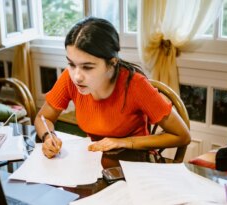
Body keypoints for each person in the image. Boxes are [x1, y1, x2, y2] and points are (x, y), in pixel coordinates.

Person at [34, 17, 190, 161]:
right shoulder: (69, 78)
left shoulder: (136, 85)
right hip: (94, 161)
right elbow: (44, 118)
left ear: (112, 63)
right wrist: (48, 136)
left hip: (135, 162)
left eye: (87, 67)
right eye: (71, 64)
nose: (77, 77)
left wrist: (123, 142)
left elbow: (182, 136)